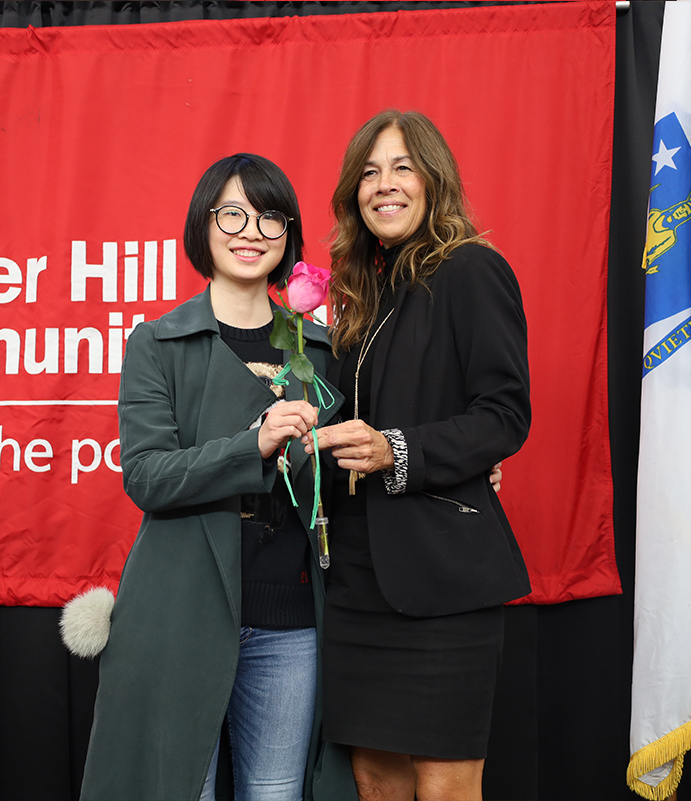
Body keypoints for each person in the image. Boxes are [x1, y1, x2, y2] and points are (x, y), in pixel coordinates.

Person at [78, 154, 356, 801]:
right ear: (204, 225)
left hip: (292, 622)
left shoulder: (318, 350)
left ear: (289, 237)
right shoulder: (158, 342)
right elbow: (146, 475)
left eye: (270, 217)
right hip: (180, 614)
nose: (250, 229)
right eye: (233, 212)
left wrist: (430, 459)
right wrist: (252, 444)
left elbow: (347, 472)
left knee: (278, 790)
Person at [308, 110, 531, 801]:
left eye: (401, 167)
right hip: (357, 581)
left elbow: (504, 415)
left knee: (444, 785)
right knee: (375, 781)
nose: (384, 185)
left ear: (434, 179)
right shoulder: (363, 298)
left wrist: (396, 450)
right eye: (369, 172)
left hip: (443, 584)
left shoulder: (472, 269)